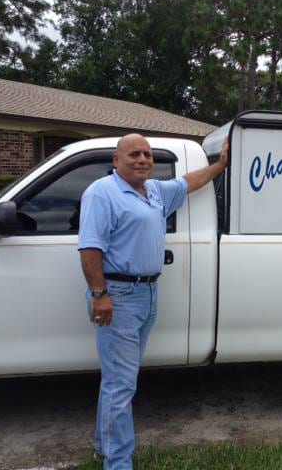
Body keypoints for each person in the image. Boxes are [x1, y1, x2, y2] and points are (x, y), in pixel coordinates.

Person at [78, 133, 228, 470]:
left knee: (117, 379)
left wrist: (220, 165)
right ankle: (118, 463)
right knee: (121, 383)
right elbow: (90, 248)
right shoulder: (103, 193)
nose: (143, 159)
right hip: (118, 295)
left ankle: (104, 445)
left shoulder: (155, 192)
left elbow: (190, 181)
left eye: (147, 154)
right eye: (134, 154)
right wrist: (100, 295)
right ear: (116, 161)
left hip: (147, 293)